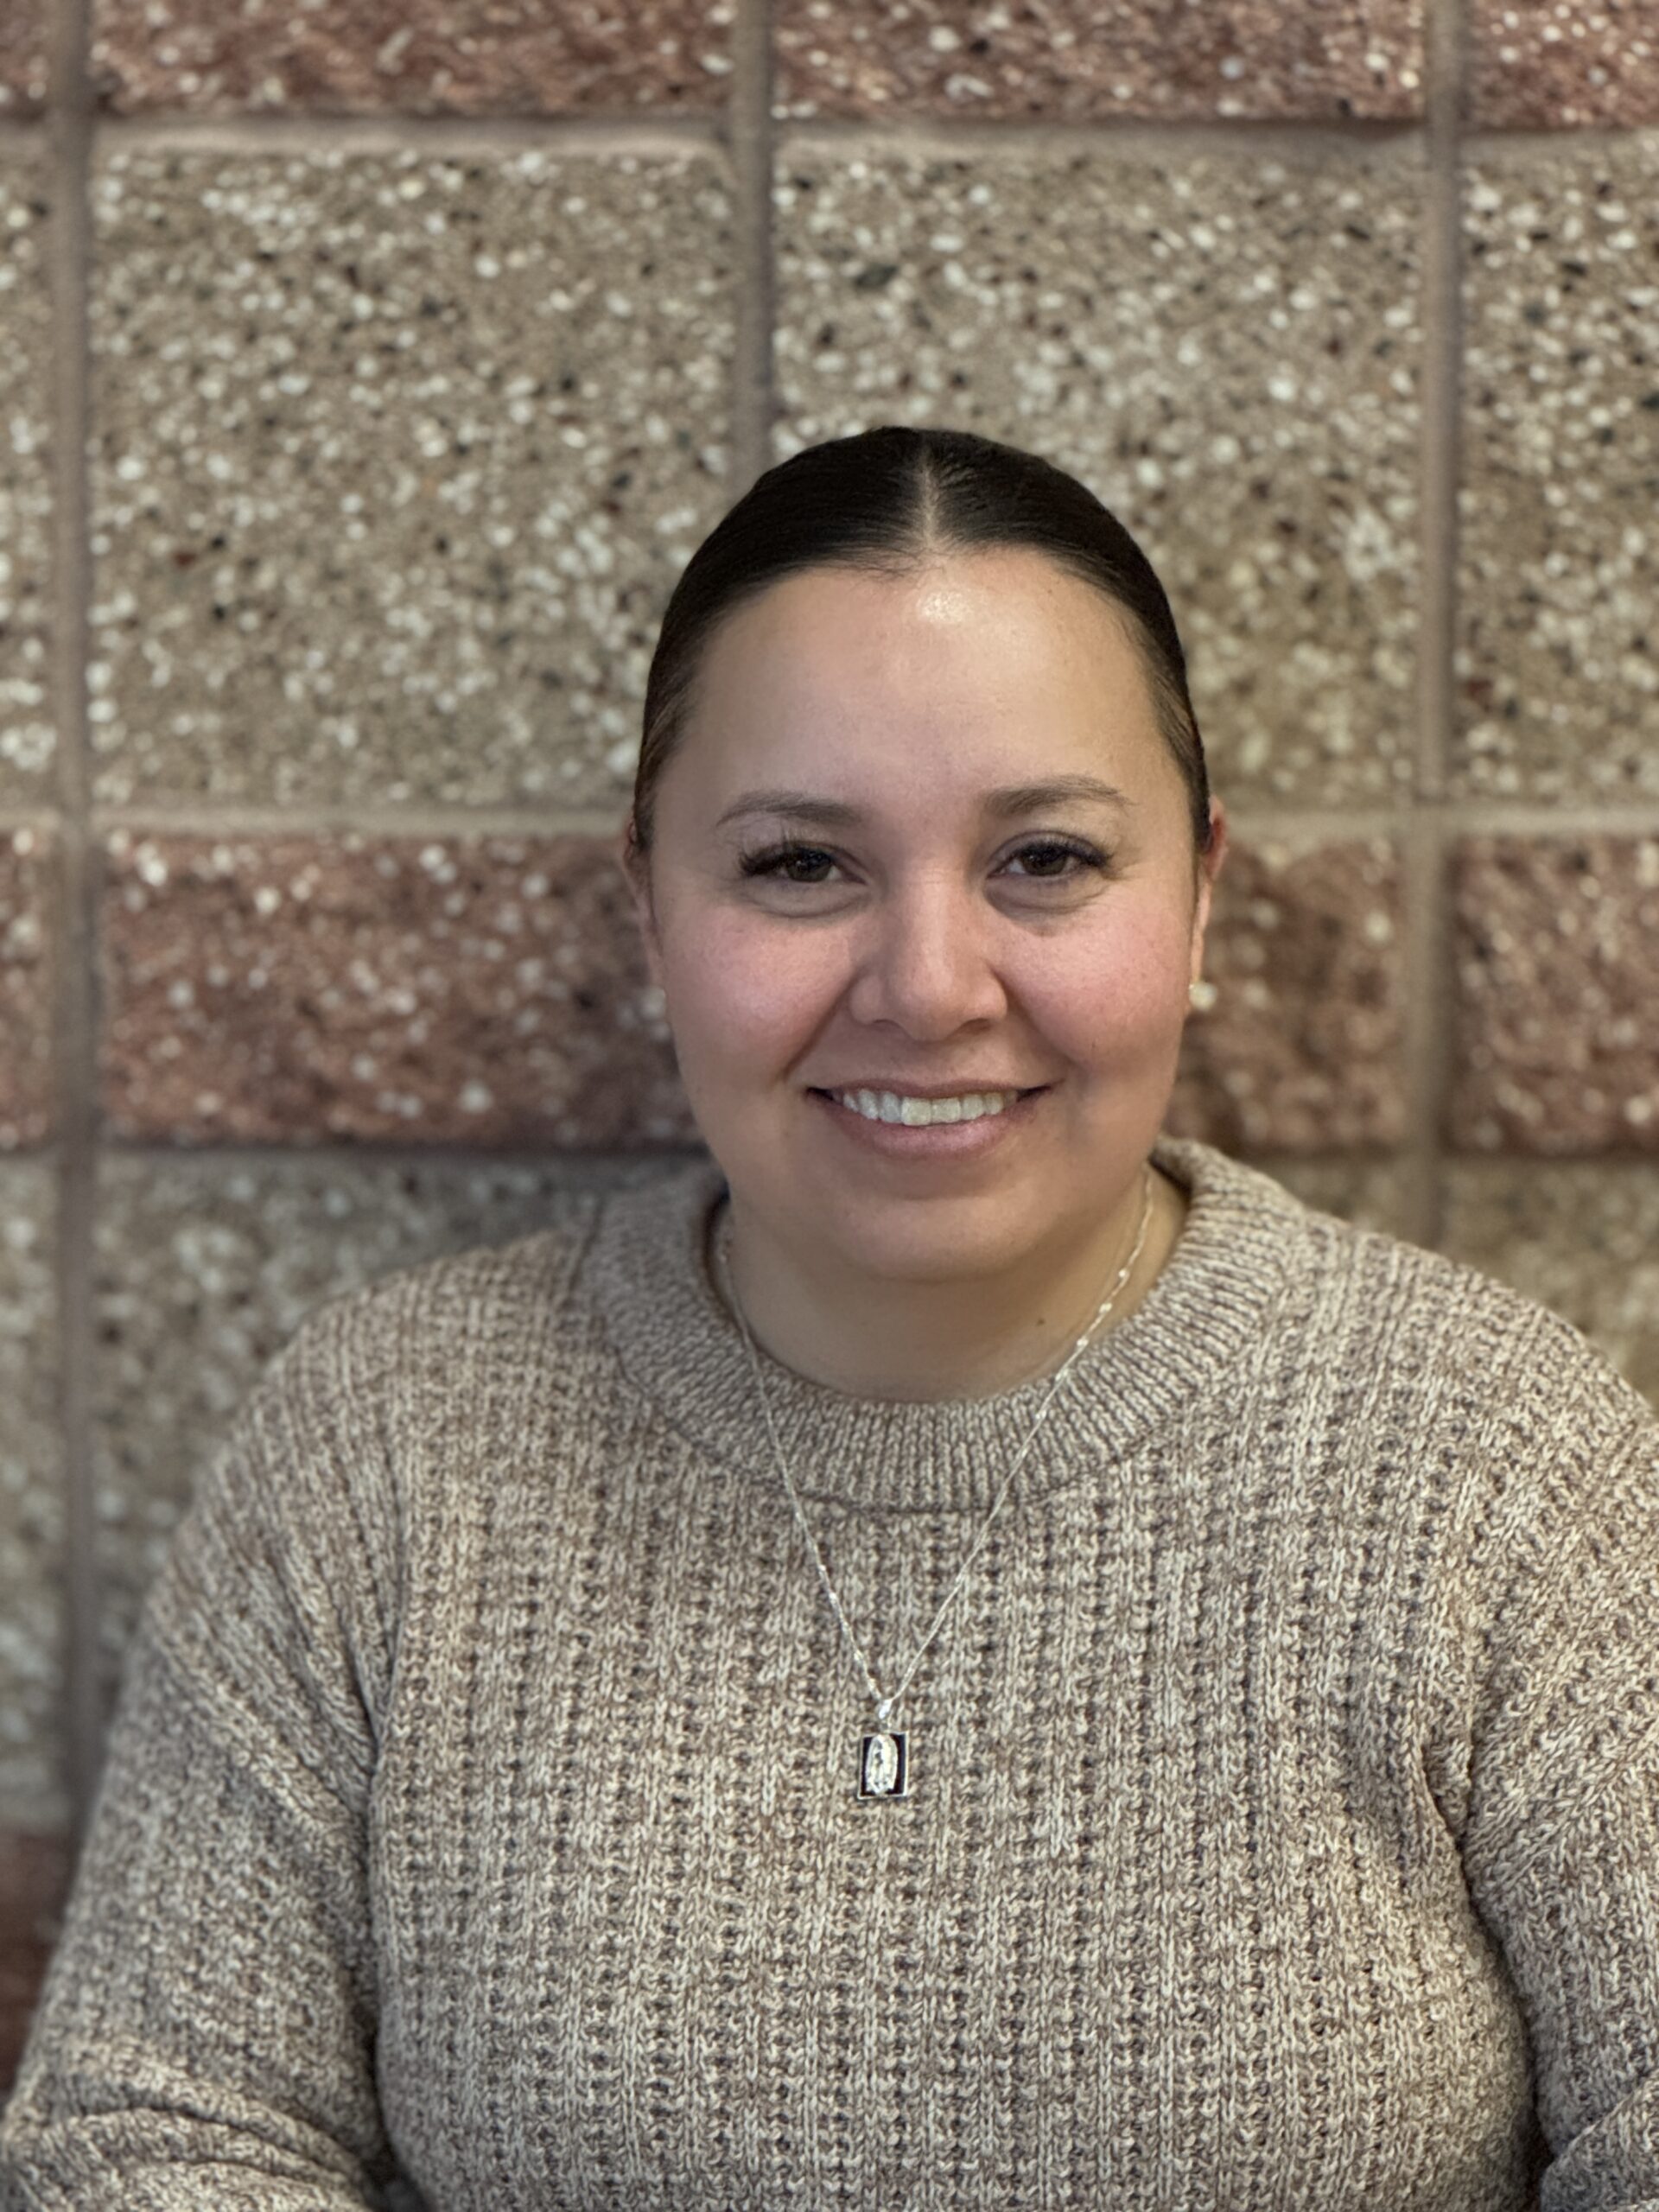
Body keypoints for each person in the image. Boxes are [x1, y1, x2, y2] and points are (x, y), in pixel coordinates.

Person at [3, 424, 1656, 2210]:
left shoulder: (1499, 1461)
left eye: (1045, 859)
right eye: (801, 864)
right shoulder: (389, 1441)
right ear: (651, 900)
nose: (931, 986)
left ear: (1202, 896)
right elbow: (150, 2139)